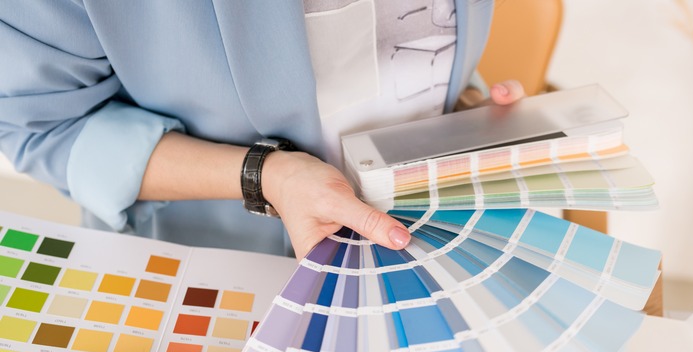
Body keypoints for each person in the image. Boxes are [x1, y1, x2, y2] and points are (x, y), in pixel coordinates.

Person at [0, 1, 523, 259]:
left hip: (432, 242)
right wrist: (265, 176)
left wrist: (464, 106)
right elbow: (47, 129)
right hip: (217, 271)